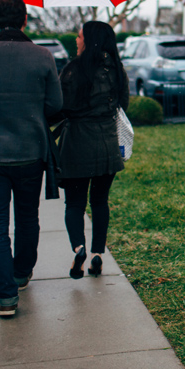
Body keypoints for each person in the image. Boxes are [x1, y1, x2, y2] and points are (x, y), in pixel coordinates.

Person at [0, 0, 62, 319]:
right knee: (27, 217)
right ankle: (21, 274)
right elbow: (55, 104)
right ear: (24, 20)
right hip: (30, 152)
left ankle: (6, 297)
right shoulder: (43, 56)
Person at [56, 21, 129, 279]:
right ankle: (98, 254)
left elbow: (58, 107)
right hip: (107, 144)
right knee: (100, 201)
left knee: (75, 203)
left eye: (79, 36)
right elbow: (124, 104)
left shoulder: (73, 70)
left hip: (76, 143)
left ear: (89, 40)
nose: (76, 41)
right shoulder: (117, 70)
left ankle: (79, 247)